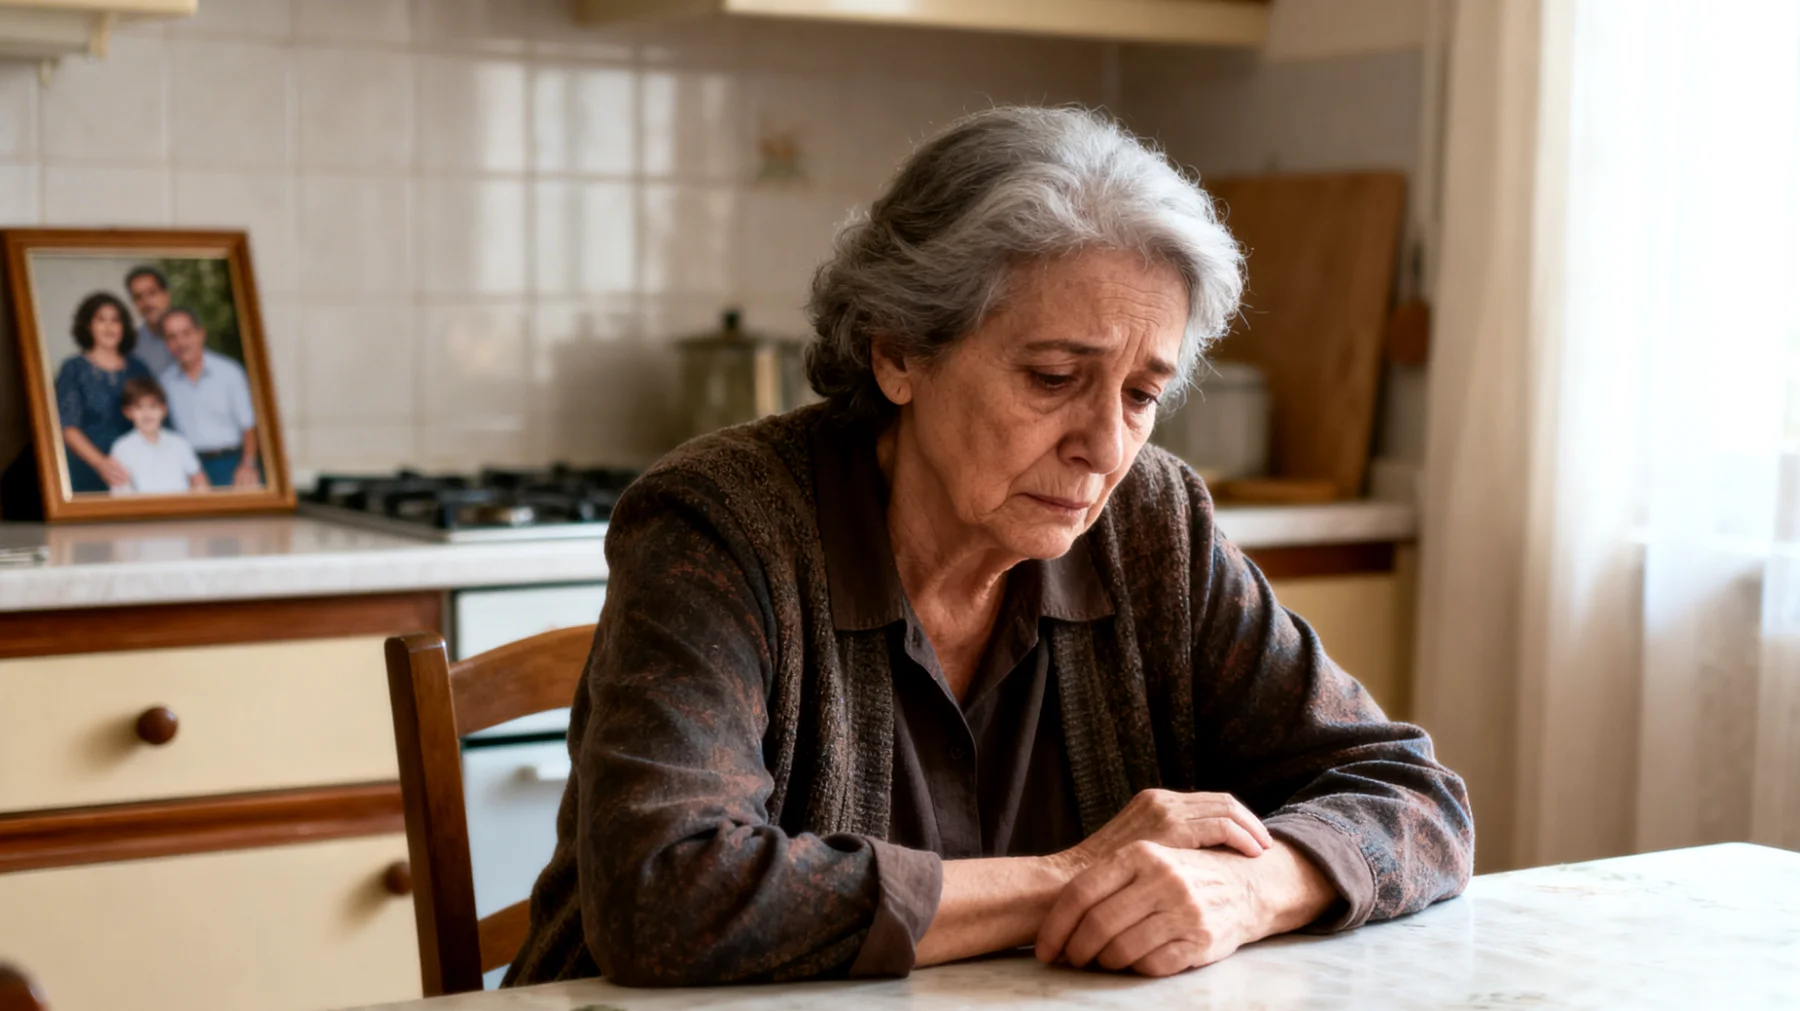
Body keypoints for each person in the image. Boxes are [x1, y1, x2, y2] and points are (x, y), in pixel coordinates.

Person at [505, 107, 1473, 988]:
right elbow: (665, 894)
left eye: (1142, 395)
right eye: (1054, 377)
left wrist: (1259, 890)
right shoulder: (721, 525)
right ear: (898, 353)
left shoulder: (1154, 527)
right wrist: (1073, 878)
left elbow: (1415, 800)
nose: (1105, 448)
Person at [53, 292, 153, 494]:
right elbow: (66, 426)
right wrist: (101, 464)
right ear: (89, 326)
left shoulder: (138, 368)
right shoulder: (73, 369)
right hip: (87, 470)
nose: (109, 327)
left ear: (123, 327)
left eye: (115, 321)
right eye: (101, 320)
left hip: (137, 468)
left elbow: (158, 416)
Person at [157, 307, 262, 490]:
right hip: (188, 469)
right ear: (166, 344)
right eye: (172, 337)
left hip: (232, 464)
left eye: (186, 333)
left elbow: (249, 425)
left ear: (201, 334)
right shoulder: (164, 383)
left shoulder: (230, 372)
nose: (180, 342)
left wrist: (248, 465)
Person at [107, 377, 207, 495]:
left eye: (153, 407)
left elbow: (199, 482)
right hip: (141, 510)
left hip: (180, 510)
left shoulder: (179, 443)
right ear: (128, 412)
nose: (147, 414)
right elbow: (120, 492)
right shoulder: (121, 448)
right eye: (139, 408)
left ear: (164, 410)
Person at [125, 266, 176, 376]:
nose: (146, 302)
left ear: (167, 295)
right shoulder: (131, 346)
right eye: (138, 297)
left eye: (152, 293)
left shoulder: (193, 333)